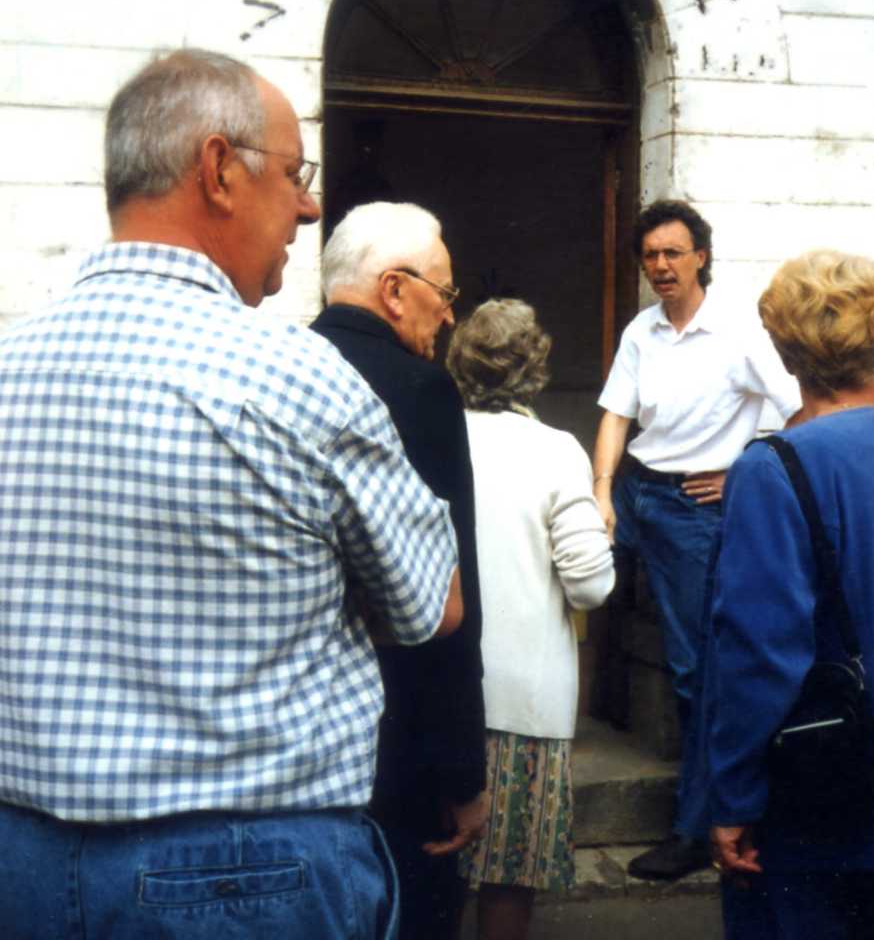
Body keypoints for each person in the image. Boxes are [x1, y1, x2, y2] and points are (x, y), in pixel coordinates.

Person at [0, 49, 463, 940]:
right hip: (245, 874)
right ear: (218, 169)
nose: (309, 205)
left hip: (21, 859)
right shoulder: (295, 375)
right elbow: (430, 606)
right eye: (295, 174)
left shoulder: (10, 367)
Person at [706, 250, 874, 938]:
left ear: (784, 350)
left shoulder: (772, 471)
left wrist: (732, 796)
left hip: (817, 804)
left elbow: (759, 657)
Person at [592, 199, 800, 880]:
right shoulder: (642, 330)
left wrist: (744, 468)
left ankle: (696, 827)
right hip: (637, 491)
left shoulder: (738, 332)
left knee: (695, 669)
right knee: (581, 603)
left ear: (700, 256)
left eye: (672, 253)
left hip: (692, 511)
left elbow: (799, 412)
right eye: (650, 256)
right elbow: (616, 416)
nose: (660, 267)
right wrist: (600, 491)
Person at [313, 202, 487, 940]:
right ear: (393, 290)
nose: (449, 319)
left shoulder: (286, 364)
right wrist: (462, 768)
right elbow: (445, 598)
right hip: (398, 737)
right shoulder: (419, 388)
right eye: (445, 296)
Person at [447, 299, 615, 940]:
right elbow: (591, 583)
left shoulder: (434, 436)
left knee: (433, 871)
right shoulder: (555, 451)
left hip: (441, 689)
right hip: (526, 703)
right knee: (508, 877)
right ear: (535, 368)